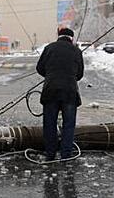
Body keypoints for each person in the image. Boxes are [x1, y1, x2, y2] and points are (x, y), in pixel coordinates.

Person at [36, 28, 84, 161]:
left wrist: (51, 75)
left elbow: (39, 68)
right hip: (69, 92)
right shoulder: (76, 51)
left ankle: (50, 153)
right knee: (68, 125)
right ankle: (66, 154)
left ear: (59, 36)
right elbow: (79, 74)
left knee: (49, 123)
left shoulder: (49, 48)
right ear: (71, 38)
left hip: (50, 91)